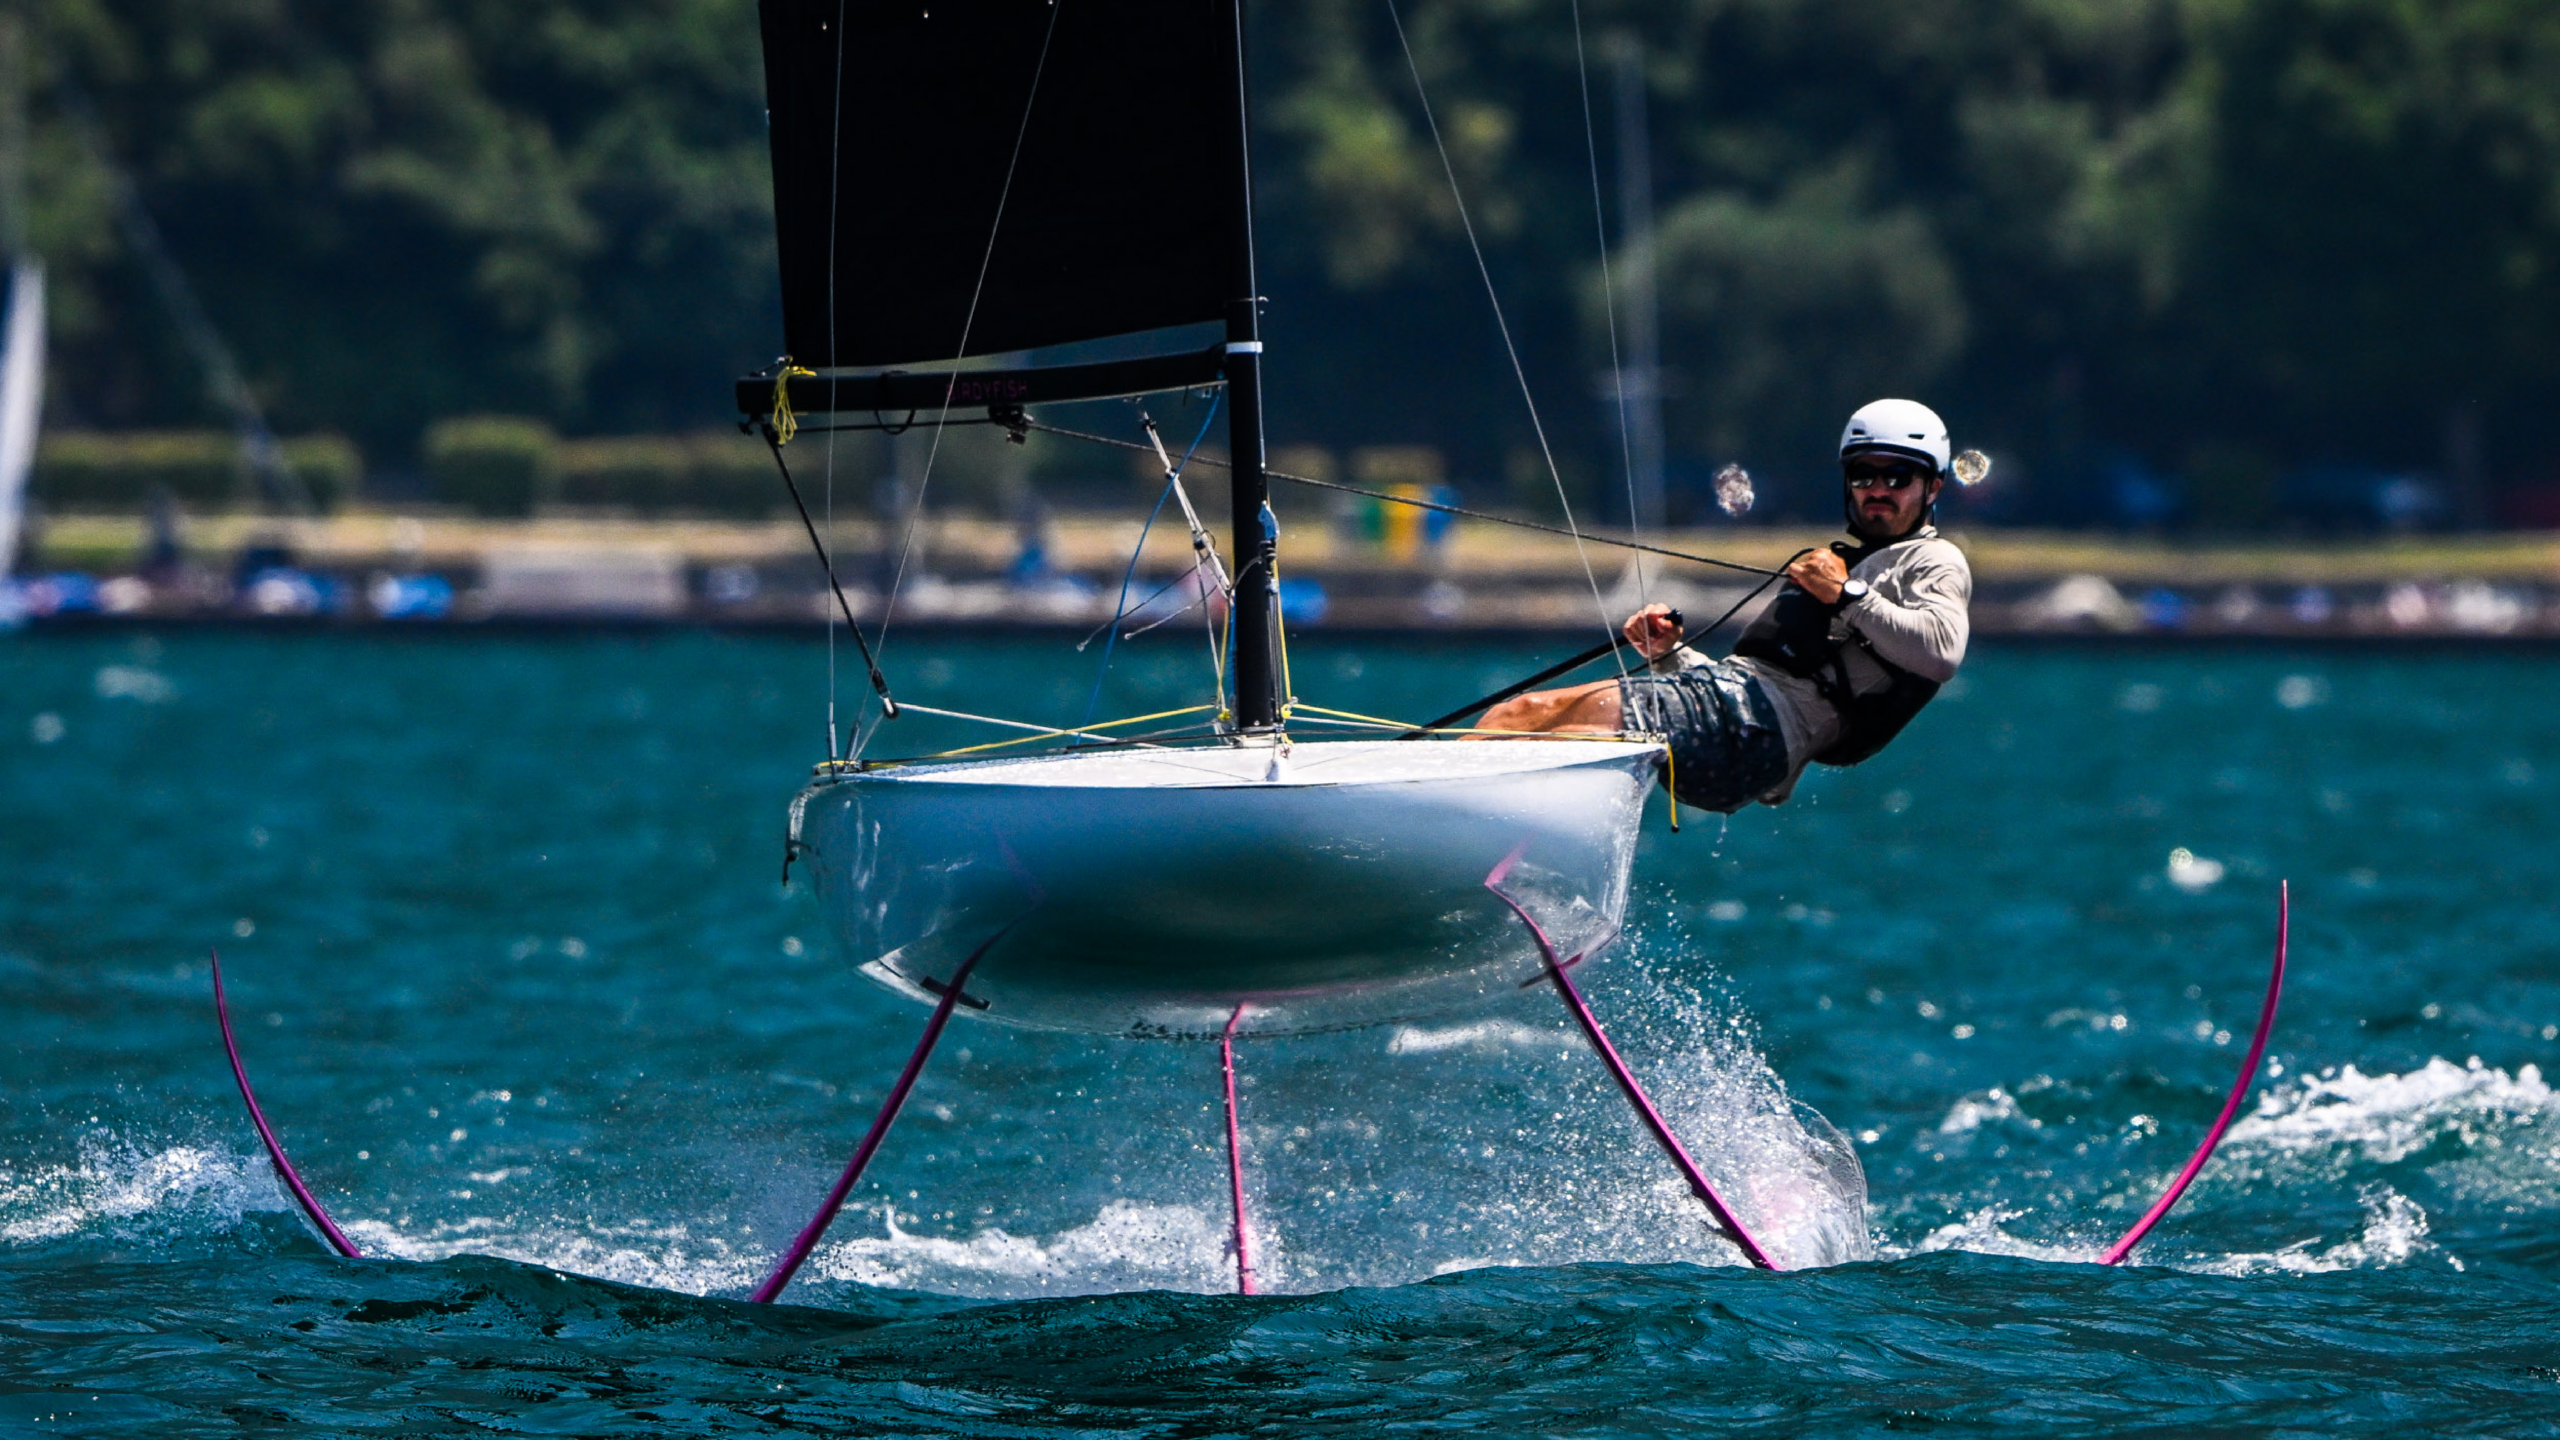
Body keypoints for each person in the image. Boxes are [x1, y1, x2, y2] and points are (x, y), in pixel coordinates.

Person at [1477, 398, 1973, 812]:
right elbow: (1762, 677)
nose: (1879, 490)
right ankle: (1490, 835)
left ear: (1933, 486)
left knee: (1528, 713)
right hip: (1739, 723)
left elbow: (1942, 654)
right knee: (1521, 721)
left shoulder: (1933, 559)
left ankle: (1436, 819)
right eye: (1866, 475)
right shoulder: (1851, 560)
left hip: (1752, 735)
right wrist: (1670, 654)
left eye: (1899, 477)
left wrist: (1845, 594)